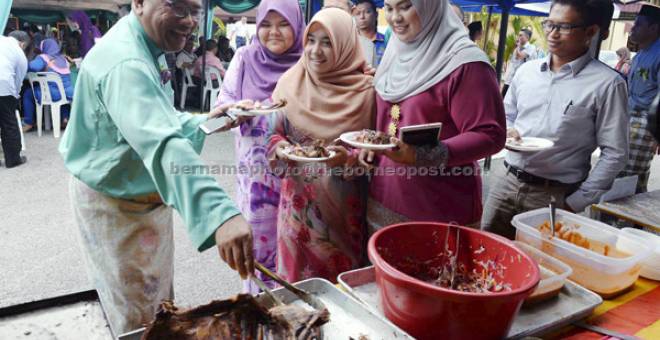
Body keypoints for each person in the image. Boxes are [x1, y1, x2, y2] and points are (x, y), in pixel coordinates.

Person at [58, 0, 254, 334]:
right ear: (139, 3)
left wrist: (206, 121)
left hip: (141, 195)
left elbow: (158, 117)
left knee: (157, 304)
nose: (190, 21)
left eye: (195, 11)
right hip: (117, 205)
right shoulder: (126, 61)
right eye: (177, 8)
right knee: (139, 316)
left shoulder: (149, 45)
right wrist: (220, 214)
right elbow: (162, 142)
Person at [482, 0, 628, 239]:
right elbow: (505, 116)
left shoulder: (607, 84)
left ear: (591, 32)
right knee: (487, 252)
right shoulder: (526, 72)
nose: (552, 33)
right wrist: (508, 130)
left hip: (554, 194)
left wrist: (575, 202)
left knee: (540, 265)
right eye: (549, 24)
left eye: (564, 27)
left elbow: (615, 153)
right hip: (506, 181)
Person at [360, 0, 505, 231]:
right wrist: (371, 146)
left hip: (438, 206)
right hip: (385, 196)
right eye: (389, 8)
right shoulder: (395, 52)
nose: (395, 17)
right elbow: (389, 121)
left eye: (406, 6)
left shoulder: (465, 63)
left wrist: (423, 155)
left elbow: (490, 134)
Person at [267, 8, 375, 283]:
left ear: (345, 45)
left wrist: (348, 161)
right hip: (296, 212)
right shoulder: (289, 82)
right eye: (311, 40)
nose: (315, 50)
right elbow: (274, 134)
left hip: (341, 215)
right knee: (294, 292)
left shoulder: (368, 93)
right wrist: (280, 148)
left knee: (340, 291)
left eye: (327, 42)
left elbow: (376, 154)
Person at [215, 0, 305, 293]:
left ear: (296, 26)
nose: (273, 32)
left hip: (298, 183)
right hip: (255, 186)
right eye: (266, 24)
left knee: (295, 257)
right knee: (257, 258)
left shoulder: (307, 63)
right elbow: (222, 103)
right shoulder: (243, 58)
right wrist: (235, 109)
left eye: (283, 24)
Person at [619, 4, 659, 193]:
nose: (632, 29)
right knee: (618, 171)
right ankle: (613, 219)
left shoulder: (658, 54)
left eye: (638, 25)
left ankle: (623, 222)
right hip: (628, 118)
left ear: (654, 28)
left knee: (630, 178)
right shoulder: (640, 54)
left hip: (644, 124)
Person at [22, 39, 75, 132]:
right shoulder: (63, 59)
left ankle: (28, 122)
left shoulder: (44, 57)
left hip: (52, 94)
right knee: (63, 95)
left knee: (28, 93)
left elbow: (33, 67)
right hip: (68, 93)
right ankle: (65, 118)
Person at [0, 31, 30, 168]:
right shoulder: (19, 53)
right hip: (4, 86)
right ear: (22, 43)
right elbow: (18, 81)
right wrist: (15, 97)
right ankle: (13, 160)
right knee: (9, 123)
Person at [502, 28, 537, 97]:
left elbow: (520, 56)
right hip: (511, 79)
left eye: (521, 35)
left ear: (527, 37)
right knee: (502, 98)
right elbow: (514, 63)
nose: (518, 37)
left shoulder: (531, 48)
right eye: (518, 35)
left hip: (523, 80)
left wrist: (518, 46)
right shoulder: (517, 49)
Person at [354, 0, 388, 67]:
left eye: (367, 12)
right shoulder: (351, 43)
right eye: (358, 13)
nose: (362, 17)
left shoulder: (386, 41)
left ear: (376, 14)